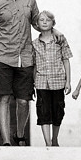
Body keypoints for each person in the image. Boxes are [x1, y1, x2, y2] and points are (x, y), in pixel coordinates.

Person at [0, 0, 51, 146]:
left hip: (26, 57)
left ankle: (19, 134)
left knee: (23, 101)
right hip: (2, 57)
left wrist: (55, 31)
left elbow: (39, 23)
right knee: (3, 98)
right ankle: (6, 140)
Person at [32, 10, 72, 147]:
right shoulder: (34, 44)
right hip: (41, 82)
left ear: (53, 23)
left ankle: (54, 139)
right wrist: (32, 83)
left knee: (58, 112)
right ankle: (47, 143)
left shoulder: (60, 40)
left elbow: (66, 60)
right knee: (43, 112)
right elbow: (34, 65)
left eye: (47, 20)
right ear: (37, 24)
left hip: (58, 81)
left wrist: (68, 81)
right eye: (41, 20)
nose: (44, 22)